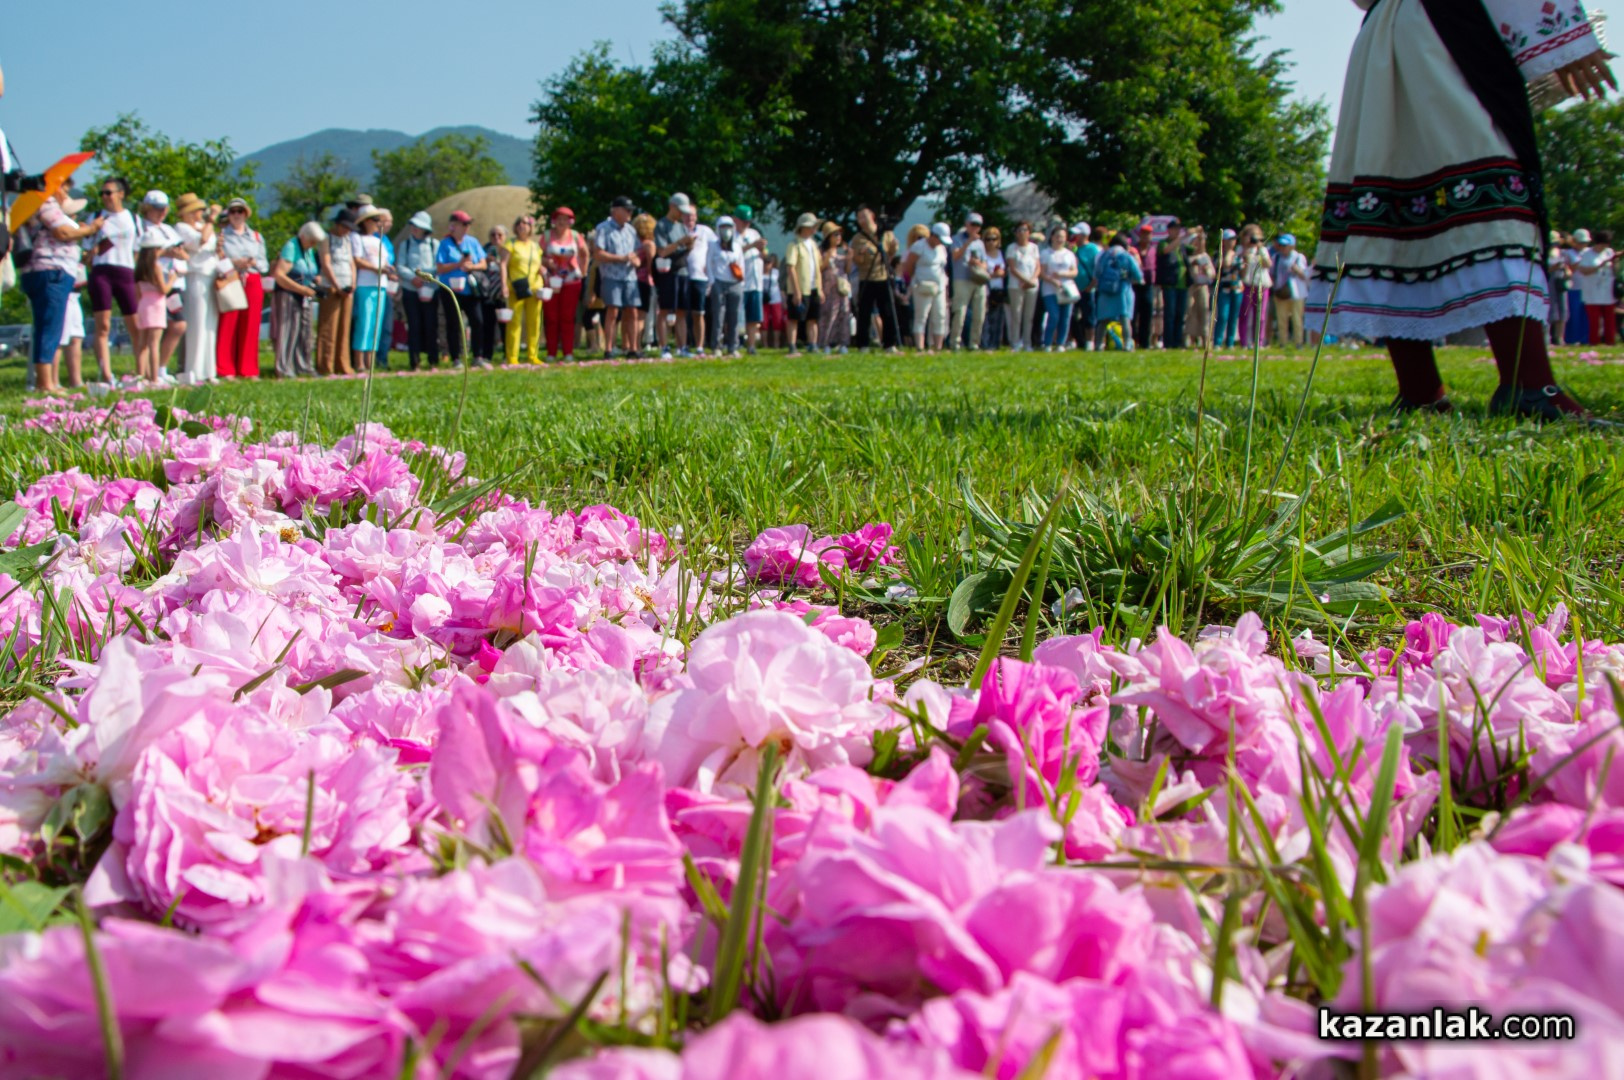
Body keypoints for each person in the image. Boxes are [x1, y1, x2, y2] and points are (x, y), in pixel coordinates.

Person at [1309, 0, 1615, 418]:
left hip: (1386, 37)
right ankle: (1528, 386)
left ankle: (1420, 390)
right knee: (1493, 203)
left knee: (1397, 206)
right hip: (1445, 36)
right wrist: (1563, 37)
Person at [18, 189, 96, 395]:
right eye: (63, 185)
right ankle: (45, 382)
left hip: (44, 271)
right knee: (50, 326)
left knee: (48, 326)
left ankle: (46, 380)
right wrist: (90, 229)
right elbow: (62, 232)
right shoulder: (46, 203)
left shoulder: (35, 204)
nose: (65, 190)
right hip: (51, 270)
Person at [86, 176, 138, 385]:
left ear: (120, 194)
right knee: (103, 324)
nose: (105, 197)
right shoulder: (95, 217)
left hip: (125, 270)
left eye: (108, 192)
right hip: (101, 270)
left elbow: (137, 249)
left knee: (135, 323)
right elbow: (86, 252)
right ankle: (106, 374)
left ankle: (140, 371)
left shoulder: (132, 218)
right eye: (102, 193)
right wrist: (93, 236)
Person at [215, 197, 267, 378]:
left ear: (245, 214)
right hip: (231, 278)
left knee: (251, 324)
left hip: (252, 278)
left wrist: (253, 263)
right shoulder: (222, 236)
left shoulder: (256, 237)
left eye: (240, 211)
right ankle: (225, 368)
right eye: (233, 211)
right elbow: (217, 259)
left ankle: (248, 368)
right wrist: (234, 262)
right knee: (228, 322)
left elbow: (264, 264)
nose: (236, 215)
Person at [174, 194, 222, 385]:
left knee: (210, 324)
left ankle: (209, 369)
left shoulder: (204, 226)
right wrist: (211, 220)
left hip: (211, 274)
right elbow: (200, 241)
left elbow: (211, 244)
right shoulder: (182, 228)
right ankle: (193, 369)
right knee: (197, 323)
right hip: (196, 275)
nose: (201, 213)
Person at [435, 209, 487, 368]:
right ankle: (456, 358)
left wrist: (472, 266)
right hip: (451, 290)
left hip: (470, 289)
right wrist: (459, 264)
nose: (466, 227)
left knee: (477, 321)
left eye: (468, 224)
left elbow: (483, 264)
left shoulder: (473, 242)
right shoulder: (445, 244)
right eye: (463, 224)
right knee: (453, 323)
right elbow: (440, 268)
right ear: (453, 225)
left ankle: (478, 356)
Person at [270, 221, 323, 378]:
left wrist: (315, 279)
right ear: (303, 237)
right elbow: (279, 275)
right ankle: (284, 368)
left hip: (305, 295)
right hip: (289, 294)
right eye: (312, 241)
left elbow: (309, 270)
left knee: (305, 331)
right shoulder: (292, 247)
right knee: (288, 330)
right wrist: (301, 289)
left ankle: (303, 365)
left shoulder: (309, 250)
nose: (313, 245)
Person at [592, 196, 641, 358]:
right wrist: (621, 258)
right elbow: (598, 253)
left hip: (630, 276)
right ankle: (609, 349)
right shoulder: (603, 228)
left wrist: (636, 260)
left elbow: (636, 252)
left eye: (631, 210)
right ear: (615, 210)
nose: (630, 213)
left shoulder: (631, 230)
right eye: (627, 210)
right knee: (612, 311)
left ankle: (633, 349)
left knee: (632, 311)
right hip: (611, 276)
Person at [543, 207, 589, 362]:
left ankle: (568, 351)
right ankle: (551, 352)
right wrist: (547, 262)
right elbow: (538, 255)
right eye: (559, 219)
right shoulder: (547, 236)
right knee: (551, 317)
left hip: (571, 281)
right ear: (554, 221)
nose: (562, 222)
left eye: (565, 219)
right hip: (551, 281)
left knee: (568, 317)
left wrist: (583, 271)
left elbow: (585, 253)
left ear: (571, 221)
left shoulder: (575, 236)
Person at [850, 206, 899, 351]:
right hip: (866, 277)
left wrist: (894, 247)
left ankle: (890, 343)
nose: (862, 220)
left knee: (887, 311)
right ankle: (863, 344)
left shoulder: (886, 234)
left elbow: (890, 255)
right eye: (859, 218)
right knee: (864, 312)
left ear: (872, 216)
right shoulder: (858, 238)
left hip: (883, 276)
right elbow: (858, 261)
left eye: (864, 216)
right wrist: (861, 253)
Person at [497, 215, 543, 365]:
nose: (522, 225)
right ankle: (512, 357)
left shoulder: (535, 246)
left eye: (526, 223)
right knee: (514, 323)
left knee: (534, 322)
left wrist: (543, 270)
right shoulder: (511, 244)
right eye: (519, 223)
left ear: (530, 227)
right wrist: (504, 285)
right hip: (516, 288)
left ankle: (533, 355)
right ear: (516, 227)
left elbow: (538, 264)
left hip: (535, 287)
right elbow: (503, 264)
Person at [316, 207, 357, 375]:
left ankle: (343, 364)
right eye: (345, 227)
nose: (347, 231)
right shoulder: (326, 240)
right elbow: (326, 263)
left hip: (347, 288)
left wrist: (353, 283)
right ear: (338, 224)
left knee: (344, 328)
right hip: (331, 286)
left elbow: (351, 263)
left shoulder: (347, 241)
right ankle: (325, 365)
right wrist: (337, 285)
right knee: (329, 327)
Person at [396, 211, 439, 369]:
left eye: (418, 226)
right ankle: (414, 361)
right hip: (411, 289)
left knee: (431, 325)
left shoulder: (434, 244)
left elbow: (438, 266)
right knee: (414, 325)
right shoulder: (405, 245)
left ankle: (433, 360)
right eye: (413, 225)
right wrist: (413, 277)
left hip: (430, 290)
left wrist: (426, 278)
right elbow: (400, 266)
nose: (414, 228)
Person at [350, 206, 390, 372]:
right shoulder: (357, 238)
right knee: (364, 323)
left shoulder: (378, 240)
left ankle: (370, 361)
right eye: (375, 220)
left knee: (376, 324)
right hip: (365, 284)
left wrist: (389, 270)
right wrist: (376, 269)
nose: (378, 223)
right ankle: (359, 361)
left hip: (381, 285)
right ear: (366, 221)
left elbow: (384, 261)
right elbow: (357, 259)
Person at [133, 232, 175, 385]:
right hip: (156, 304)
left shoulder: (139, 268)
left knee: (142, 343)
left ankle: (141, 375)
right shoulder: (156, 267)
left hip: (143, 304)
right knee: (154, 343)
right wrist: (172, 279)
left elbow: (137, 292)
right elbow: (163, 289)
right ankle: (155, 378)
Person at [652, 193, 692, 357]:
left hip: (683, 271)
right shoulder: (661, 225)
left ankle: (682, 348)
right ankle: (664, 347)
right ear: (672, 206)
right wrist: (680, 242)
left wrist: (689, 245)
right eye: (680, 210)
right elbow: (662, 251)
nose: (682, 214)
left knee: (681, 311)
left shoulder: (681, 226)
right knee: (665, 310)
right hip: (668, 272)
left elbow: (684, 251)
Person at [902, 222, 951, 352]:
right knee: (921, 316)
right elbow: (909, 266)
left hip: (939, 286)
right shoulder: (919, 246)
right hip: (922, 286)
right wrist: (914, 281)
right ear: (933, 236)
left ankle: (938, 347)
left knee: (940, 315)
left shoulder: (942, 249)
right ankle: (920, 347)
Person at [1092, 234, 1145, 351]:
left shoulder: (1104, 255)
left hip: (1105, 292)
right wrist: (1139, 279)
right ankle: (1127, 343)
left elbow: (1096, 273)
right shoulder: (1126, 256)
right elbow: (1137, 273)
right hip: (1122, 290)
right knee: (1124, 318)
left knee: (1103, 319)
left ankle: (1098, 344)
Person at [949, 212, 989, 350]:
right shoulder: (956, 239)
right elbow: (955, 256)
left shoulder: (980, 243)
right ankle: (955, 342)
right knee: (960, 311)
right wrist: (968, 242)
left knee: (979, 312)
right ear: (966, 224)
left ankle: (974, 343)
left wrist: (978, 263)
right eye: (973, 224)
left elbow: (985, 263)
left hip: (977, 279)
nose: (975, 227)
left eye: (978, 225)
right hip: (961, 279)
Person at [708, 214, 747, 356]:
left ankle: (733, 346)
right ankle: (716, 346)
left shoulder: (737, 246)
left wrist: (741, 282)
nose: (726, 230)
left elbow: (741, 264)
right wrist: (712, 281)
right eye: (723, 227)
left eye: (729, 227)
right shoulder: (713, 245)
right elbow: (709, 263)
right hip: (719, 281)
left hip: (734, 283)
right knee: (718, 315)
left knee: (734, 316)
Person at [784, 213, 822, 356]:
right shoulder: (794, 245)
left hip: (813, 287)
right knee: (794, 318)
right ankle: (792, 345)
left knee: (813, 318)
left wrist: (820, 289)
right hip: (800, 288)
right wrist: (796, 291)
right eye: (812, 226)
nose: (814, 229)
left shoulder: (813, 245)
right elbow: (791, 267)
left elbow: (818, 267)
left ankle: (813, 344)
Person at [680, 207, 715, 357]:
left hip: (700, 277)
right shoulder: (678, 230)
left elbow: (715, 248)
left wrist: (710, 266)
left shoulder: (705, 231)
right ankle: (683, 345)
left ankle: (700, 346)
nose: (690, 219)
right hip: (682, 275)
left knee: (698, 313)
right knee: (682, 313)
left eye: (693, 216)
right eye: (687, 216)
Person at [1039, 223, 1079, 351]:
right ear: (1052, 237)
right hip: (1050, 290)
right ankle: (1047, 343)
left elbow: (1074, 272)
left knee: (1065, 317)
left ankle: (1061, 343)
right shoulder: (1046, 253)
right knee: (1054, 315)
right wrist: (1052, 280)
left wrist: (1062, 274)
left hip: (1066, 289)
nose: (1059, 239)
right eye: (1057, 236)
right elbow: (1042, 272)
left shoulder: (1069, 254)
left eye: (1062, 237)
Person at [1004, 221, 1041, 351]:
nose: (1022, 233)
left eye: (1025, 230)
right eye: (1019, 230)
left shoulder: (1034, 248)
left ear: (1029, 233)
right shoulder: (1011, 248)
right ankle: (1015, 343)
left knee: (1029, 316)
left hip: (1032, 285)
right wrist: (1025, 281)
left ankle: (1027, 343)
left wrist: (1032, 280)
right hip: (1016, 285)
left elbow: (1038, 267)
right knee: (1016, 315)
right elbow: (1012, 268)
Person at [473, 223, 507, 367]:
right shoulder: (483, 251)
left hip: (502, 294)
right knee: (488, 325)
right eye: (493, 235)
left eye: (500, 235)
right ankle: (487, 354)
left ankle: (508, 354)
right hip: (487, 294)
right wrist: (486, 261)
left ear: (505, 237)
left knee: (505, 326)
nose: (496, 238)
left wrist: (500, 263)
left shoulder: (508, 251)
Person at [1577, 227, 1618, 346]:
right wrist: (1600, 266)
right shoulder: (1586, 254)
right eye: (1602, 244)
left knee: (1609, 318)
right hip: (1592, 291)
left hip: (1607, 290)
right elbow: (1583, 271)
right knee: (1594, 319)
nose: (1604, 247)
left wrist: (1615, 264)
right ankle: (1594, 341)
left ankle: (1610, 341)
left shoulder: (1609, 252)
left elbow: (1615, 271)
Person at [736, 205, 768, 354]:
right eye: (744, 221)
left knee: (754, 317)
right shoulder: (732, 236)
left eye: (748, 221)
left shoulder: (754, 233)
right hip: (740, 282)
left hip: (756, 282)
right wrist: (751, 246)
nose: (746, 224)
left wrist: (762, 250)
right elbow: (734, 253)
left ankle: (751, 346)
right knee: (737, 316)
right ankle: (735, 342)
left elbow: (765, 254)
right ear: (736, 220)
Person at [818, 220, 852, 354]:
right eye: (835, 234)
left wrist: (849, 258)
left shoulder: (842, 251)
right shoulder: (821, 252)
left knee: (844, 313)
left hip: (841, 288)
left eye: (839, 234)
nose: (838, 237)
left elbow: (847, 270)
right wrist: (827, 258)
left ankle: (843, 342)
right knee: (828, 315)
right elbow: (819, 268)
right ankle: (825, 342)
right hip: (828, 288)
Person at [1270, 234, 1309, 348]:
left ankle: (1298, 342)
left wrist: (1296, 269)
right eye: (1281, 245)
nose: (1282, 247)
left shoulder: (1299, 257)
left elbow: (1304, 276)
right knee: (1281, 319)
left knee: (1297, 319)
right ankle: (1283, 342)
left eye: (1285, 245)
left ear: (1292, 246)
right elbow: (1272, 274)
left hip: (1296, 293)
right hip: (1280, 292)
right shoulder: (1276, 257)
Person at [1157, 220, 1190, 349]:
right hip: (1170, 285)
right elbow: (1166, 250)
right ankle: (1169, 342)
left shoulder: (1181, 246)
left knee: (1180, 314)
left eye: (1178, 229)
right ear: (1169, 230)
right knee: (1170, 315)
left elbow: (1197, 250)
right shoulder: (1163, 243)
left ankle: (1178, 342)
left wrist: (1200, 237)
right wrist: (1182, 237)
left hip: (1183, 285)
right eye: (1174, 229)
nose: (1177, 232)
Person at [1237, 225, 1271, 349]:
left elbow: (1268, 264)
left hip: (1262, 285)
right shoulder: (1241, 250)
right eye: (1250, 236)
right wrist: (1245, 253)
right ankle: (1244, 342)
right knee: (1245, 314)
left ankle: (1258, 342)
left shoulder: (1263, 250)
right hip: (1247, 284)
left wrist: (1260, 248)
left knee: (1260, 316)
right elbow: (1241, 270)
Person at [373, 209, 397, 370]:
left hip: (387, 286)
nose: (391, 224)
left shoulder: (386, 240)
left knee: (387, 324)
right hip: (373, 285)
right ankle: (370, 359)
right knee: (374, 325)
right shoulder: (371, 239)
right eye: (388, 221)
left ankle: (382, 358)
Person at [1071, 223, 1100, 350]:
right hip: (1072, 288)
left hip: (1088, 288)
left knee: (1089, 315)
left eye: (1077, 234)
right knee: (1072, 315)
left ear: (1084, 235)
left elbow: (1098, 269)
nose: (1074, 236)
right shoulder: (1073, 248)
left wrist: (1091, 285)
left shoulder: (1093, 249)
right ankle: (1072, 340)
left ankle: (1089, 341)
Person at [1186, 228, 1216, 350]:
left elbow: (1212, 274)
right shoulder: (1188, 256)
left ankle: (1205, 339)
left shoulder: (1205, 256)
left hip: (1203, 286)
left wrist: (1206, 269)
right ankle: (1191, 339)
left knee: (1204, 310)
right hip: (1191, 286)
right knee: (1190, 311)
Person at [1214, 229, 1242, 348]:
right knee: (1223, 316)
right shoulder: (1218, 255)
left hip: (1236, 289)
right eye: (1229, 240)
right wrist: (1229, 253)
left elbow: (1242, 271)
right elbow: (1224, 265)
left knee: (1233, 317)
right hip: (1224, 289)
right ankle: (1218, 342)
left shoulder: (1238, 255)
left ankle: (1230, 342)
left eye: (1233, 239)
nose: (1232, 242)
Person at [1132, 222, 1158, 350]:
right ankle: (1132, 340)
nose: (1146, 237)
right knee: (1133, 313)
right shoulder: (1133, 249)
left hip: (1148, 285)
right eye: (1144, 234)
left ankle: (1145, 342)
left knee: (1147, 314)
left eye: (1148, 234)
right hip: (1135, 285)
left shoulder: (1154, 249)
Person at [633, 212, 657, 351]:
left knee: (633, 316)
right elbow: (650, 265)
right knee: (641, 317)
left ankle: (630, 345)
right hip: (645, 282)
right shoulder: (649, 244)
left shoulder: (636, 243)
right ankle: (636, 345)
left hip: (634, 280)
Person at [982, 225, 1007, 349]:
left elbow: (1007, 271)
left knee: (998, 317)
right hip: (987, 288)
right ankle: (986, 343)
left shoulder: (1001, 254)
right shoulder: (983, 255)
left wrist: (1003, 273)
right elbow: (980, 273)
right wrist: (993, 275)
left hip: (999, 289)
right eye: (988, 239)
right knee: (986, 317)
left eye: (994, 239)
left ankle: (995, 343)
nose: (991, 242)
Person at [1547, 234, 1571, 346]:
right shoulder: (1544, 254)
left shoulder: (1562, 254)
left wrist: (1566, 272)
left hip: (1560, 282)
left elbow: (1568, 270)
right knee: (1551, 308)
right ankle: (1548, 336)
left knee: (1562, 309)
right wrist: (1554, 267)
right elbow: (1545, 269)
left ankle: (1560, 337)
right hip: (1549, 282)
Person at [763, 254, 786, 349]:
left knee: (777, 322)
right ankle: (765, 344)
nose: (766, 265)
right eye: (765, 263)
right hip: (764, 300)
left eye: (768, 263)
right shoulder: (759, 273)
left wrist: (784, 301)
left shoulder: (776, 273)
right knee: (764, 323)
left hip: (776, 299)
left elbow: (781, 287)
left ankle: (777, 343)